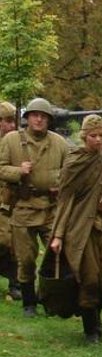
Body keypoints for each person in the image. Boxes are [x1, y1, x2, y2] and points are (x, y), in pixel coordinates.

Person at [49, 115, 102, 343]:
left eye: (101, 135)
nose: (98, 140)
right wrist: (58, 235)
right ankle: (90, 327)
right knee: (89, 279)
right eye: (93, 136)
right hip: (83, 227)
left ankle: (95, 313)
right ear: (84, 136)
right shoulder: (76, 161)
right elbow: (66, 198)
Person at [0, 98, 70, 317]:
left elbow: (69, 172)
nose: (39, 119)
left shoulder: (59, 143)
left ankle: (51, 298)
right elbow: (0, 168)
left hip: (51, 208)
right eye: (34, 115)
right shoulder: (12, 140)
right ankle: (28, 302)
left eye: (44, 116)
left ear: (49, 120)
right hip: (22, 207)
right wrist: (18, 171)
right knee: (26, 258)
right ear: (27, 118)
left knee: (57, 254)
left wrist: (59, 182)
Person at [0, 101, 21, 300]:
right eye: (7, 121)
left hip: (12, 202)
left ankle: (15, 283)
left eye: (13, 121)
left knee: (12, 242)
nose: (11, 126)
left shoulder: (17, 144)